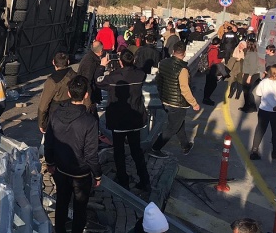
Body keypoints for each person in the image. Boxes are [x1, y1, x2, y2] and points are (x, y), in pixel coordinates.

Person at [44, 76, 101, 233]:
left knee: (61, 204)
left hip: (61, 169)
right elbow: (91, 153)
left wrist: (50, 162)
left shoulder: (55, 114)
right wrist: (97, 174)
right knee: (80, 209)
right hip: (81, 173)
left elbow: (49, 142)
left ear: (69, 93)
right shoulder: (90, 121)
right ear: (85, 95)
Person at [96, 50, 150, 191]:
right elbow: (140, 72)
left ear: (120, 61)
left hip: (118, 120)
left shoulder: (114, 78)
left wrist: (102, 66)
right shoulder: (140, 74)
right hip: (135, 120)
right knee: (136, 151)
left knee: (119, 151)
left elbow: (98, 81)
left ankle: (123, 180)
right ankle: (145, 180)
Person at [150, 42, 199, 159]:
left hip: (165, 99)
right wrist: (194, 103)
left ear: (173, 51)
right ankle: (155, 148)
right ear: (185, 53)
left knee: (178, 124)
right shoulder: (183, 69)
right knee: (172, 127)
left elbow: (158, 80)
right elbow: (184, 89)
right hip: (178, 103)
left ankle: (185, 145)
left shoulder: (163, 63)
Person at [249, 65, 276, 161]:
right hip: (275, 111)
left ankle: (254, 150)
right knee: (275, 132)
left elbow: (258, 93)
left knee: (260, 130)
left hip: (263, 110)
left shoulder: (264, 82)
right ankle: (274, 151)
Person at [38, 52, 78, 133]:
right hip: (74, 112)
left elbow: (43, 105)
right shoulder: (76, 76)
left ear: (53, 62)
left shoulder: (52, 80)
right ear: (68, 62)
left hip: (56, 115)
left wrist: (41, 123)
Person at [77, 41, 104, 110]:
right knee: (91, 114)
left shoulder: (91, 57)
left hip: (90, 92)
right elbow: (87, 80)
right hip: (88, 95)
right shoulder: (90, 61)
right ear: (100, 51)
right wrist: (89, 98)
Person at [202, 37, 225, 106]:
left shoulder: (210, 48)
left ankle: (206, 97)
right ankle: (207, 98)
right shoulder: (215, 50)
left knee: (208, 84)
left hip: (208, 68)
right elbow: (215, 60)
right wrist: (221, 60)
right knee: (213, 84)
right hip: (212, 69)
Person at [240, 41, 261, 113]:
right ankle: (246, 106)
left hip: (251, 74)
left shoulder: (252, 54)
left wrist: (249, 76)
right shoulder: (249, 52)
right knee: (246, 91)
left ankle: (252, 107)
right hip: (247, 73)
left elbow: (253, 66)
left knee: (248, 91)